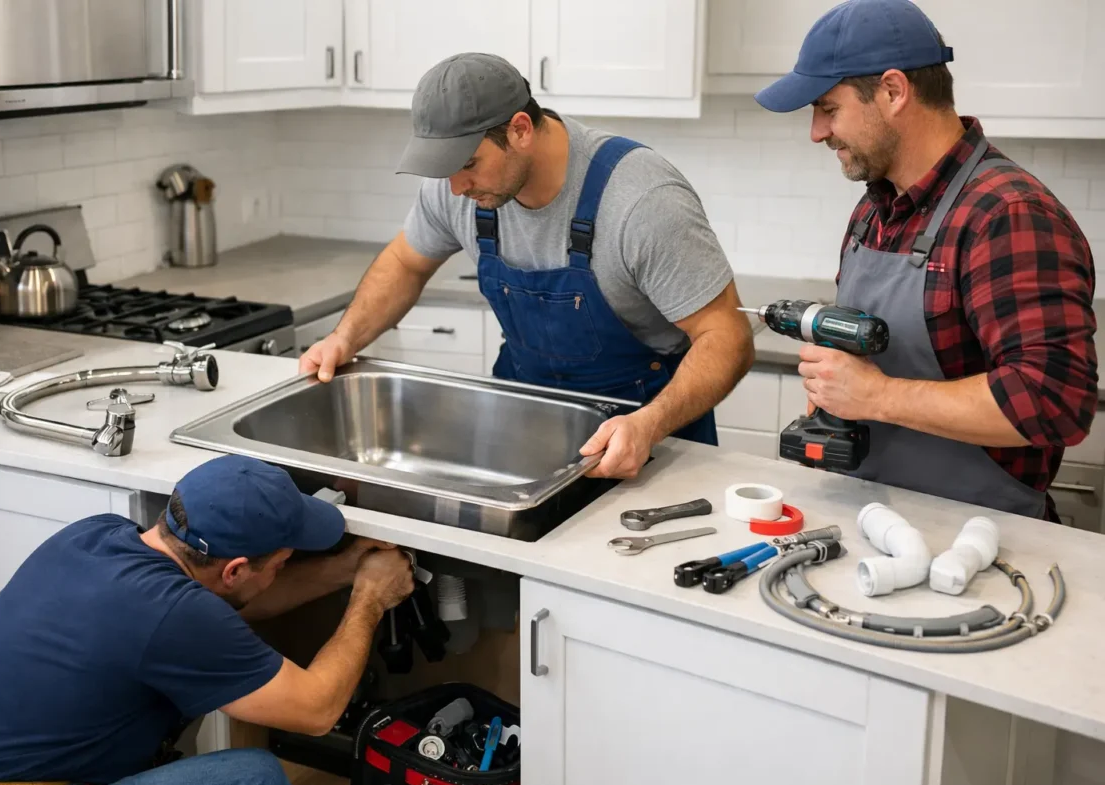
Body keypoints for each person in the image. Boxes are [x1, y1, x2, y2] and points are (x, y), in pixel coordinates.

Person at [299, 53, 755, 480]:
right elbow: (405, 262)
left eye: (468, 164)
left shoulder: (641, 201)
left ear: (520, 130)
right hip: (521, 423)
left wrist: (650, 424)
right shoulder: (459, 187)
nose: (456, 187)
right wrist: (345, 337)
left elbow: (727, 336)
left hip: (646, 436)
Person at [754, 0, 1097, 520]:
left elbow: (1054, 401)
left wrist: (875, 396)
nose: (817, 132)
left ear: (893, 91)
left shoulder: (1007, 214)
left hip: (982, 542)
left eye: (828, 107)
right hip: (871, 518)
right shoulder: (876, 210)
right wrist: (834, 394)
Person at [0, 454, 415, 785]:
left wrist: (345, 570)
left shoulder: (99, 537)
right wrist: (371, 596)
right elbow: (317, 709)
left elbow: (225, 607)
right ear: (235, 569)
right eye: (280, 562)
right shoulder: (174, 615)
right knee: (252, 780)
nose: (283, 569)